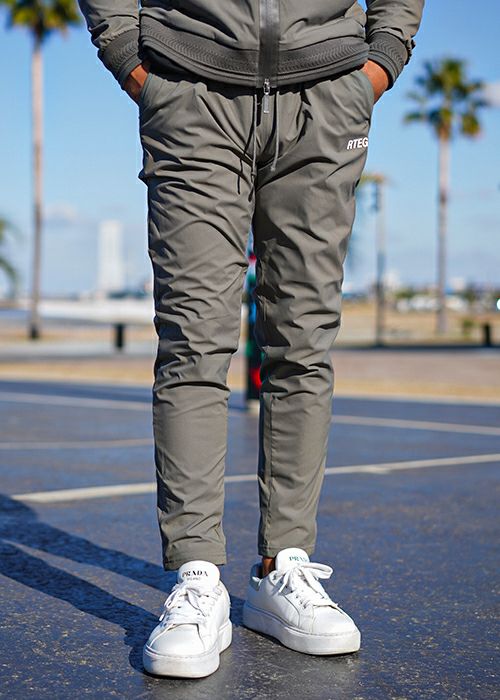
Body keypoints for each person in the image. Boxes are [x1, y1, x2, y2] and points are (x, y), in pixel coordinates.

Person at [78, 0, 424, 679]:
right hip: (190, 87)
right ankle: (196, 574)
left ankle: (282, 566)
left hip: (327, 92)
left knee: (303, 343)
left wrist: (381, 59)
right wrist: (126, 52)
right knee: (193, 342)